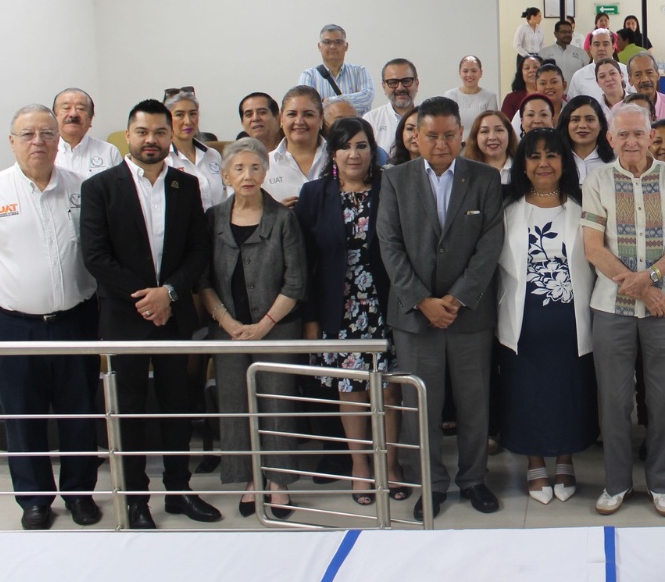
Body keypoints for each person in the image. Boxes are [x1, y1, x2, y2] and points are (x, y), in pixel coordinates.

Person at [0, 104, 101, 530]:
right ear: (12, 141)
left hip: (76, 321)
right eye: (28, 134)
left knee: (79, 414)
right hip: (14, 326)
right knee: (22, 416)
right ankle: (34, 500)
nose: (38, 141)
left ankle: (80, 494)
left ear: (58, 141)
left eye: (47, 133)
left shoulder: (82, 188)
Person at [79, 99, 219, 529]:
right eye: (142, 132)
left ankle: (179, 490)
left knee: (178, 404)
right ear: (128, 135)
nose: (151, 140)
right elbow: (96, 257)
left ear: (170, 136)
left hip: (174, 314)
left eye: (160, 132)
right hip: (125, 316)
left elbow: (198, 250)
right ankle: (136, 499)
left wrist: (169, 294)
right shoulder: (100, 187)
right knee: (130, 408)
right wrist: (146, 298)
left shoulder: (185, 185)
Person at [376, 96, 506, 520]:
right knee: (421, 406)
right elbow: (389, 244)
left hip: (468, 313)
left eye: (449, 135)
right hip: (415, 317)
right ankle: (430, 485)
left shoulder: (484, 177)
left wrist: (456, 298)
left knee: (474, 403)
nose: (440, 143)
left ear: (461, 134)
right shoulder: (395, 179)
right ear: (416, 136)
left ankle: (474, 479)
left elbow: (490, 243)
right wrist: (422, 300)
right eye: (431, 135)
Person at [581, 103, 665, 517]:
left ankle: (661, 482)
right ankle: (616, 483)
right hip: (611, 307)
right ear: (610, 139)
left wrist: (649, 279)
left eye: (638, 133)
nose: (631, 141)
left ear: (651, 136)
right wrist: (643, 288)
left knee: (664, 399)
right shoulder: (597, 180)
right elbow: (593, 247)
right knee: (614, 401)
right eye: (623, 134)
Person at [197, 137, 307, 518]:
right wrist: (227, 322)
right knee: (235, 402)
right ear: (226, 175)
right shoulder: (212, 218)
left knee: (277, 402)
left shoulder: (283, 218)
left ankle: (278, 481)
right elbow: (203, 280)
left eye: (255, 167)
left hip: (276, 327)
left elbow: (296, 281)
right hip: (226, 329)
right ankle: (249, 478)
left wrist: (263, 325)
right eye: (239, 168)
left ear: (265, 172)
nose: (247, 175)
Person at [297, 119, 402, 507]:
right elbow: (304, 262)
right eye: (345, 147)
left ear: (372, 150)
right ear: (333, 153)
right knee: (351, 388)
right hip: (338, 307)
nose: (353, 154)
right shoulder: (314, 194)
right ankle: (360, 465)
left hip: (386, 304)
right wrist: (311, 318)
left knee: (388, 387)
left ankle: (391, 464)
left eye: (361, 146)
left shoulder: (391, 187)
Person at [497, 129, 599, 505]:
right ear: (523, 164)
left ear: (564, 162)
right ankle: (535, 461)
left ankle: (566, 459)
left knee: (569, 391)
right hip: (523, 322)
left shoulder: (584, 206)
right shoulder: (506, 210)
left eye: (552, 155)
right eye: (535, 156)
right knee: (527, 392)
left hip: (572, 321)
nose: (544, 163)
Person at [265, 86, 328, 206]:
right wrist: (276, 213)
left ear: (321, 118)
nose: (299, 121)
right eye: (292, 114)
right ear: (281, 119)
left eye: (308, 115)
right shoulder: (265, 165)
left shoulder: (338, 158)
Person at [164, 88, 225, 208]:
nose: (188, 121)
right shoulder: (164, 160)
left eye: (192, 114)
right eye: (179, 115)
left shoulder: (213, 155)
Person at [299, 24, 375, 114]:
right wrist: (352, 100)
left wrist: (328, 101)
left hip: (355, 124)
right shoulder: (309, 75)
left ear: (346, 46)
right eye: (327, 42)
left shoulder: (360, 72)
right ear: (319, 46)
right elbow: (305, 106)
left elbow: (366, 99)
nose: (332, 46)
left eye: (338, 42)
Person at [53, 88, 120, 177]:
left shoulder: (109, 151)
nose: (73, 114)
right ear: (54, 118)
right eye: (66, 108)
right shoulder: (44, 152)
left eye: (80, 109)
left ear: (91, 119)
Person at [366, 58, 421, 150]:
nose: (400, 88)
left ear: (417, 84)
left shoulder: (427, 117)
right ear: (384, 86)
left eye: (406, 81)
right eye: (393, 82)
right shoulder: (371, 120)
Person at [558, 95, 614, 183]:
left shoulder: (615, 161)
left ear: (601, 125)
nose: (582, 125)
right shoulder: (556, 160)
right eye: (575, 120)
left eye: (590, 120)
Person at [443, 55, 498, 128]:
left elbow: (491, 125)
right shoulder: (450, 96)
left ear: (481, 73)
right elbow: (446, 125)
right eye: (465, 71)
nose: (469, 75)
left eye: (474, 71)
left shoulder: (490, 97)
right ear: (460, 73)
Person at [463, 109, 515, 184]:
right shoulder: (465, 172)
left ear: (509, 134)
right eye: (484, 131)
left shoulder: (523, 168)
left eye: (499, 130)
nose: (492, 137)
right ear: (475, 137)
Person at [568, 30, 619, 102]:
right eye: (597, 44)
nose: (601, 48)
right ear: (590, 48)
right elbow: (573, 105)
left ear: (613, 47)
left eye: (605, 44)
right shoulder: (579, 76)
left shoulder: (626, 72)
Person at [538, 17, 589, 82]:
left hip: (576, 88)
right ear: (555, 34)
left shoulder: (581, 53)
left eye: (569, 32)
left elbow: (587, 73)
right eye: (563, 32)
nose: (567, 34)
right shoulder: (544, 53)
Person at [628, 52, 665, 119]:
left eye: (649, 73)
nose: (645, 79)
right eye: (638, 75)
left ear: (658, 75)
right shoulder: (621, 109)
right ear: (630, 80)